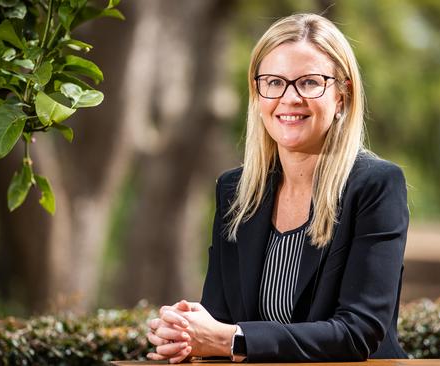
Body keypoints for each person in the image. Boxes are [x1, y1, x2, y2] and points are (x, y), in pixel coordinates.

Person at [146, 13, 409, 363]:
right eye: (274, 82)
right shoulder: (235, 191)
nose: (290, 98)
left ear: (342, 96)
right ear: (257, 94)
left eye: (310, 82)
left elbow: (359, 331)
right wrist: (187, 332)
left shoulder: (375, 186)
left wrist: (235, 340)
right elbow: (221, 323)